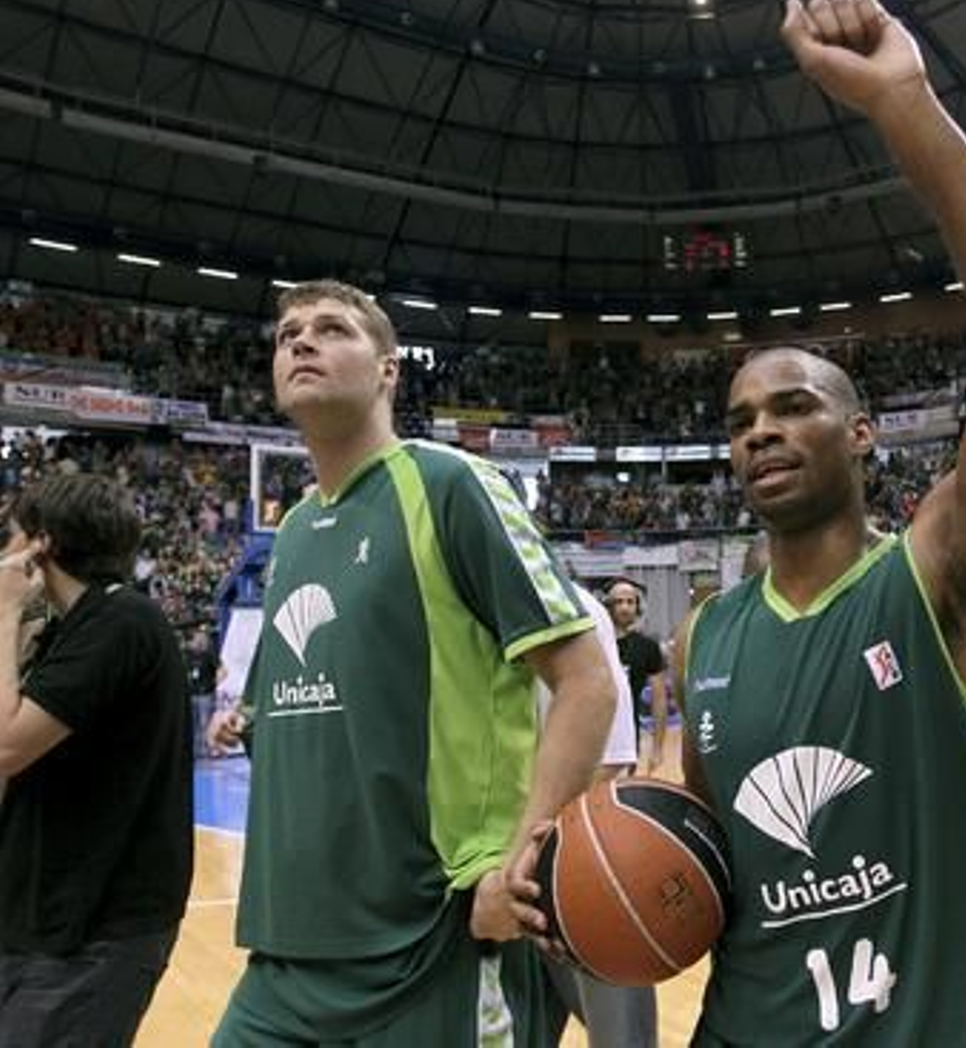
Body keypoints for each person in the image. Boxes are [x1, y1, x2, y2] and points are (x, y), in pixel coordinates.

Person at [678, 0, 966, 1044]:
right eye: (739, 422)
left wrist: (905, 104)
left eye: (792, 407)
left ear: (861, 435)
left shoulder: (941, 571)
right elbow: (713, 867)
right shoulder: (706, 640)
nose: (760, 434)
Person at [207, 280, 616, 1046]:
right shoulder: (291, 532)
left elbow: (586, 679)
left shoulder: (450, 484)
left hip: (436, 938)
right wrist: (249, 719)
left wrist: (520, 864)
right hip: (288, 947)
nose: (300, 341)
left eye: (331, 329)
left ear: (389, 370)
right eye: (288, 332)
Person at [0, 472, 194, 1047]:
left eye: (10, 538)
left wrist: (4, 613)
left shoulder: (123, 621)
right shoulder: (66, 631)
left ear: (42, 545)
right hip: (38, 919)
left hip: (93, 932)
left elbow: (6, 746)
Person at [540, 585, 659, 1048]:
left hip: (571, 861)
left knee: (619, 1035)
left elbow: (613, 754)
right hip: (483, 874)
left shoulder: (577, 611)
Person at [605, 579, 671, 774]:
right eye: (618, 602)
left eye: (630, 602)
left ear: (638, 607)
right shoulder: (596, 643)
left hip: (627, 735)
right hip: (594, 731)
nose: (625, 607)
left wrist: (658, 748)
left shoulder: (648, 647)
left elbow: (659, 701)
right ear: (608, 606)